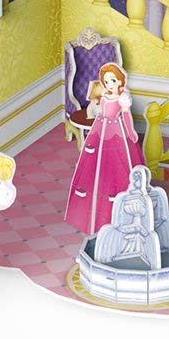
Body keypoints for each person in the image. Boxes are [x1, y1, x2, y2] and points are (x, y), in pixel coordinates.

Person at [64, 63, 144, 235]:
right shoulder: (105, 96)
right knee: (97, 165)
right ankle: (92, 215)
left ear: (120, 81)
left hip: (116, 131)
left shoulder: (122, 98)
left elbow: (126, 116)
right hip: (100, 128)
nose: (109, 84)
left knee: (117, 164)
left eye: (112, 80)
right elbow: (99, 111)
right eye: (106, 81)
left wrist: (131, 132)